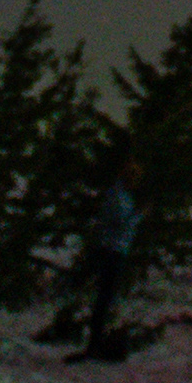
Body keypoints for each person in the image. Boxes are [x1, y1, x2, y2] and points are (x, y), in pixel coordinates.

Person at [72, 152, 142, 360]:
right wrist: (139, 215)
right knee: (104, 298)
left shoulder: (121, 195)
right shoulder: (118, 196)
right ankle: (95, 343)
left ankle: (98, 341)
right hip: (112, 250)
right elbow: (120, 224)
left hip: (115, 249)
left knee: (106, 297)